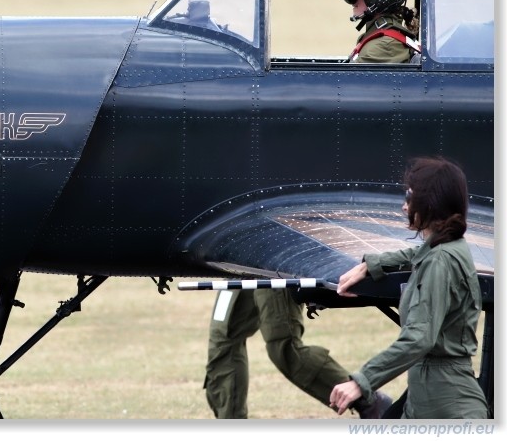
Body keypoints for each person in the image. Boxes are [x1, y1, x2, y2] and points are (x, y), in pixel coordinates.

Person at [329, 157, 489, 419]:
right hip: (425, 400)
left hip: (448, 409)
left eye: (410, 197)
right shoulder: (446, 249)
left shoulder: (441, 261)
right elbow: (418, 254)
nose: (404, 207)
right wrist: (372, 265)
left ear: (430, 202)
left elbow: (419, 337)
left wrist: (362, 381)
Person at [205, 288, 392, 419]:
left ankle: (368, 401)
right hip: (237, 258)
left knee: (284, 347)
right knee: (223, 340)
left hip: (270, 256)